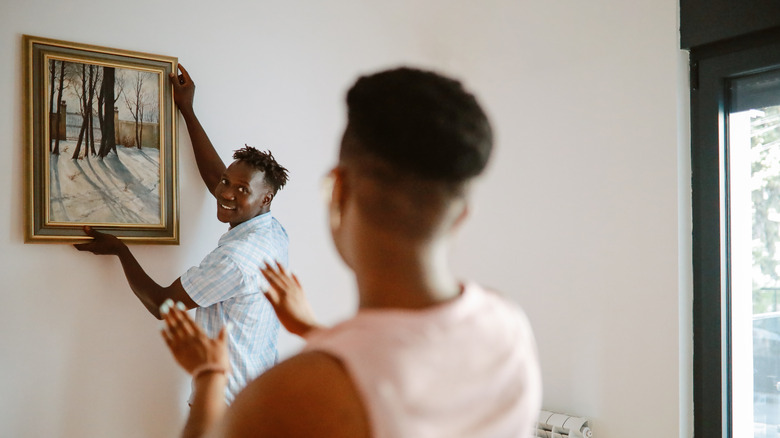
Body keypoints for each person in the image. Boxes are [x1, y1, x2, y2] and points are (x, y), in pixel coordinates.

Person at [160, 66, 542, 437]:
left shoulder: (298, 391)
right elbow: (398, 365)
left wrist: (209, 375)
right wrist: (312, 330)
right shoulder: (508, 329)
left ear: (338, 191)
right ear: (461, 215)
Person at [75, 64, 290, 404]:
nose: (227, 193)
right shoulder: (271, 229)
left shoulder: (234, 260)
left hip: (226, 410)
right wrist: (187, 109)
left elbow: (164, 306)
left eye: (241, 189)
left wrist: (120, 250)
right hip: (258, 398)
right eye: (226, 183)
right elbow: (218, 180)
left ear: (265, 197)